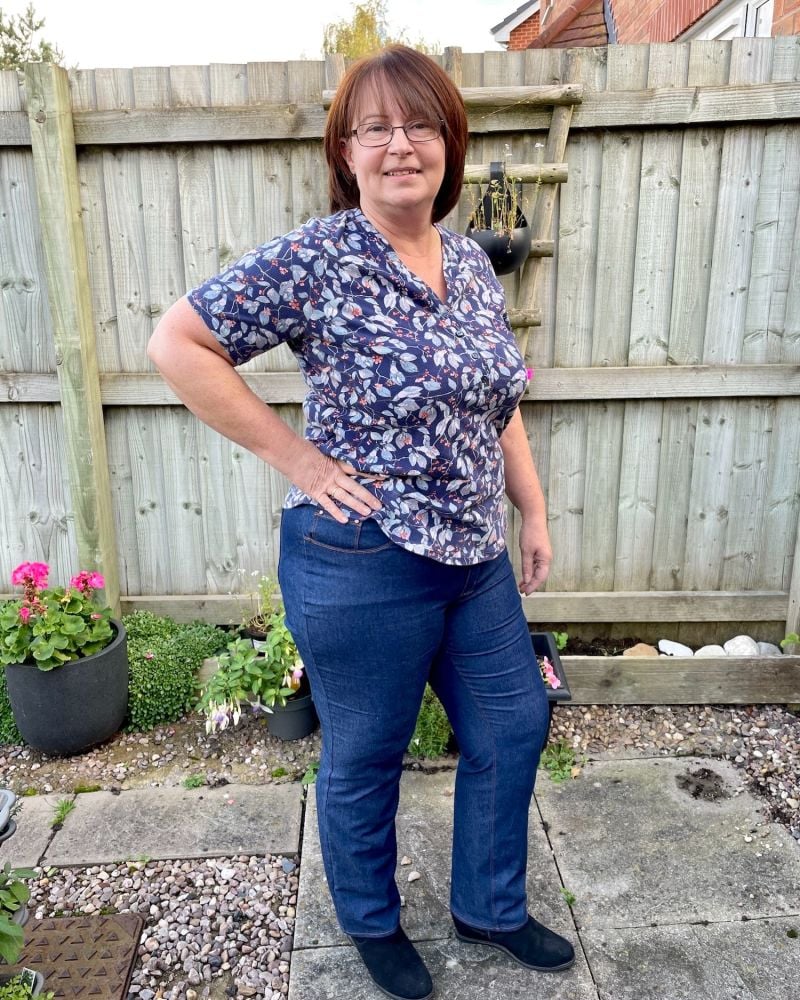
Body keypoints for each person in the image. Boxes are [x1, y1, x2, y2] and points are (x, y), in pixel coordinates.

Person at [148, 44, 574, 1000]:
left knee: (514, 725)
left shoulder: (468, 262)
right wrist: (297, 458)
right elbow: (177, 343)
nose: (399, 145)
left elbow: (497, 398)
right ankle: (373, 926)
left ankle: (490, 908)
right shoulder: (320, 256)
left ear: (449, 143)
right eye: (372, 128)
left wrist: (532, 508)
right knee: (367, 755)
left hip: (473, 557)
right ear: (345, 152)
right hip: (363, 559)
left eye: (419, 124)